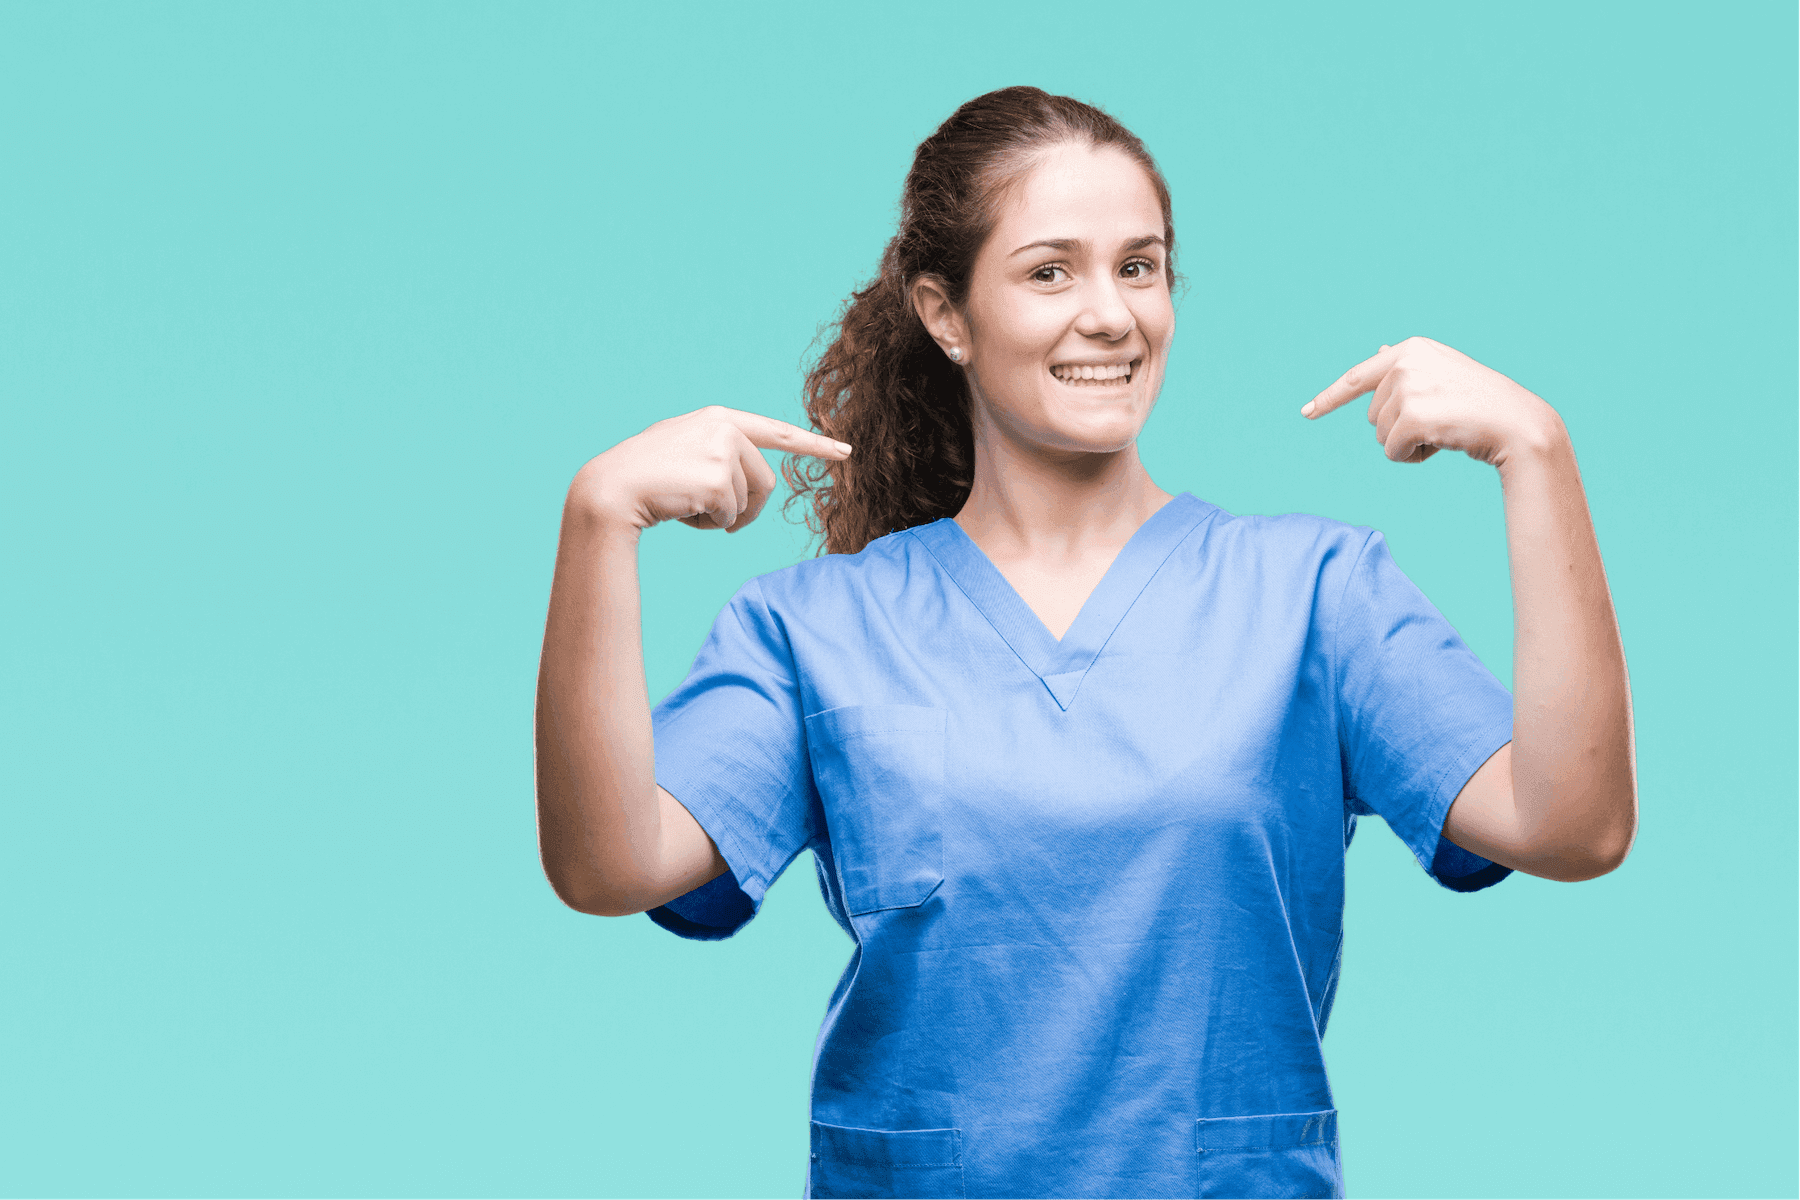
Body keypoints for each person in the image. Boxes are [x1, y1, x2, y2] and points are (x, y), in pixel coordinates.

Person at [533, 86, 1636, 1200]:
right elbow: (608, 866)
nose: (1111, 314)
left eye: (1139, 267)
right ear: (947, 315)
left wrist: (1537, 454)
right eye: (1050, 272)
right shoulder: (812, 631)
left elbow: (1572, 825)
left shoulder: (1315, 595)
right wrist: (598, 523)